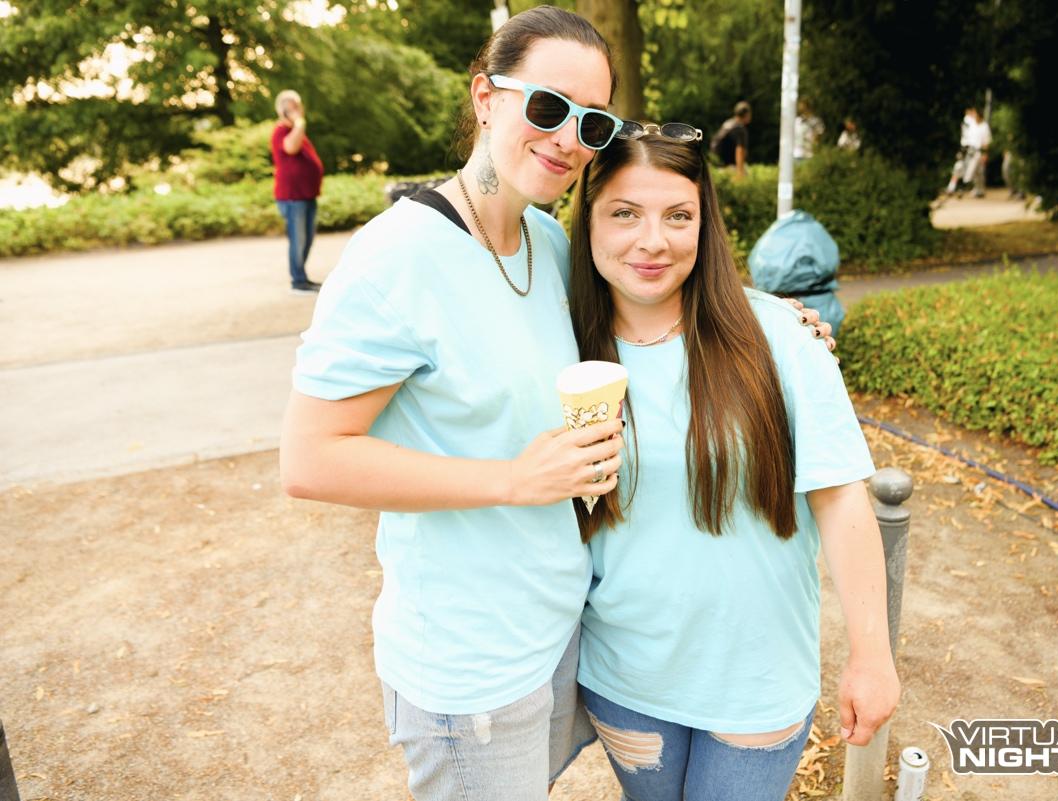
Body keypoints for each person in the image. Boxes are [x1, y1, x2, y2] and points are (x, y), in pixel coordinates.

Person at [279, 9, 832, 799]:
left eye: (593, 122)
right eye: (547, 106)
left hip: (562, 638)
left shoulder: (545, 241)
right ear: (485, 98)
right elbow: (309, 458)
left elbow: (648, 278)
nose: (569, 136)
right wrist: (512, 479)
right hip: (471, 668)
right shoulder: (394, 259)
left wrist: (770, 317)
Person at [567, 124, 900, 800]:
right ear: (588, 220)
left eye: (678, 215)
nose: (653, 240)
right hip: (625, 674)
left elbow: (840, 498)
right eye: (625, 213)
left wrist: (872, 655)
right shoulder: (562, 346)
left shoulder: (779, 336)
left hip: (757, 677)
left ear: (705, 222)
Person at [272, 89, 325, 294]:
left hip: (306, 195)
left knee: (307, 239)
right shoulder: (282, 131)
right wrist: (300, 123)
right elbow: (290, 148)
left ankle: (302, 278)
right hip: (292, 197)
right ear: (283, 111)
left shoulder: (295, 131)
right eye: (291, 109)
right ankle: (298, 281)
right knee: (298, 239)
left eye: (297, 107)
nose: (297, 112)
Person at [711, 100, 751, 179]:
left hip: (715, 164)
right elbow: (740, 151)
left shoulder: (727, 123)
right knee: (746, 172)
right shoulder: (740, 128)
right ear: (746, 114)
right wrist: (740, 173)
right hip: (727, 167)